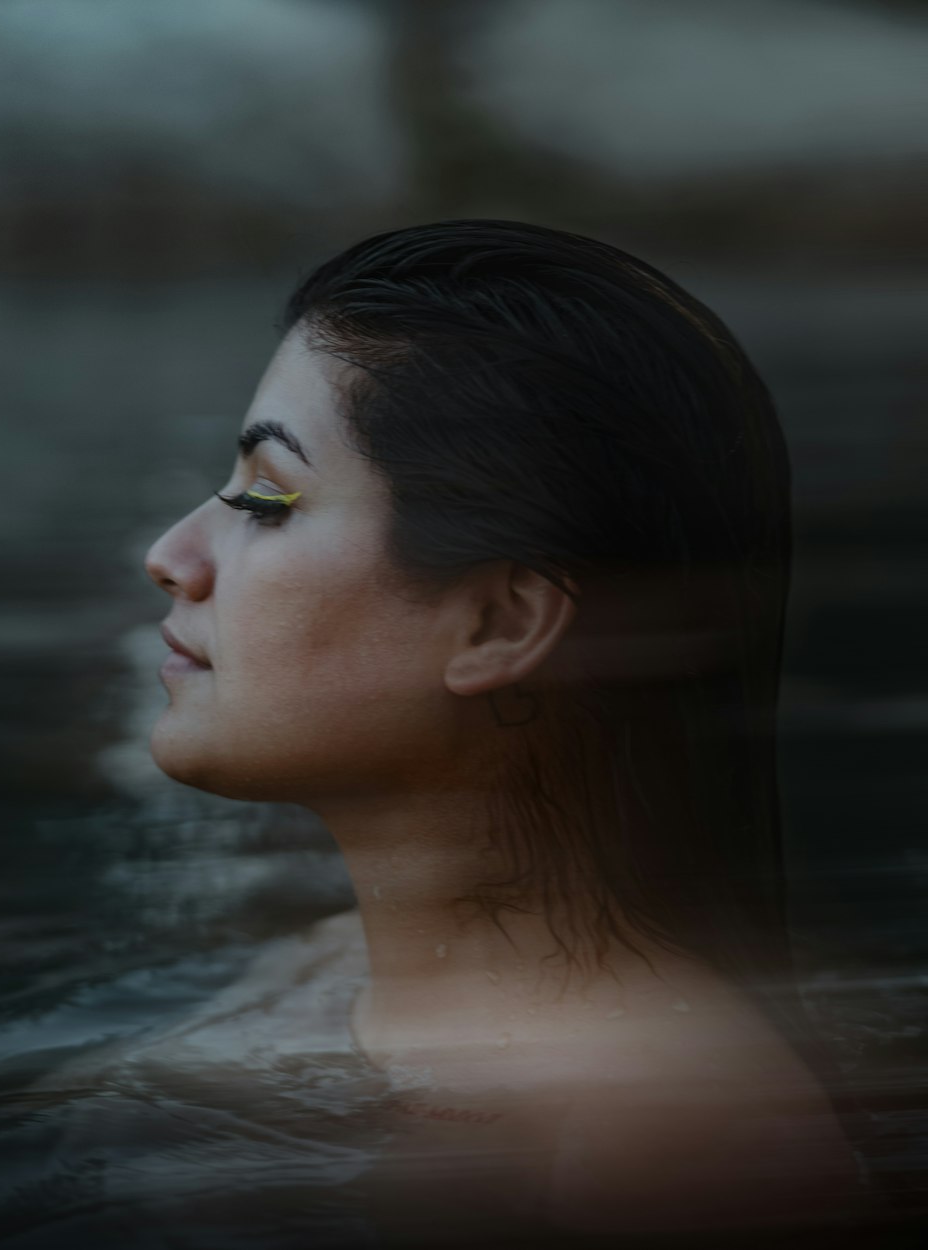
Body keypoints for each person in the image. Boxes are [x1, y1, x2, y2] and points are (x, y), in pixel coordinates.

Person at [144, 219, 865, 1244]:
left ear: (500, 622)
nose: (170, 554)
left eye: (267, 498)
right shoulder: (321, 964)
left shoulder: (669, 1126)